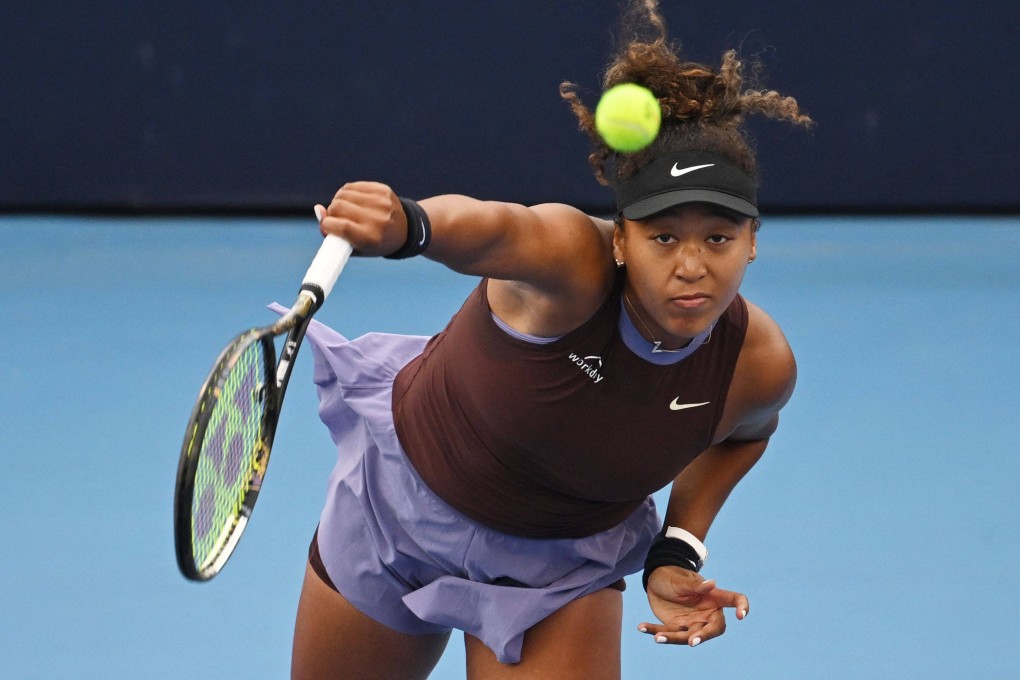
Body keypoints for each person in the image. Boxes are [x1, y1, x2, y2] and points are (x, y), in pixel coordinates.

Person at [289, 2, 812, 677]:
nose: (691, 266)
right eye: (663, 237)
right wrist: (410, 226)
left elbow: (747, 434)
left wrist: (678, 547)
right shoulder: (570, 260)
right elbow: (497, 230)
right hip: (402, 509)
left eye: (719, 238)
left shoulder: (757, 364)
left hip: (557, 571)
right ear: (621, 239)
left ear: (752, 244)